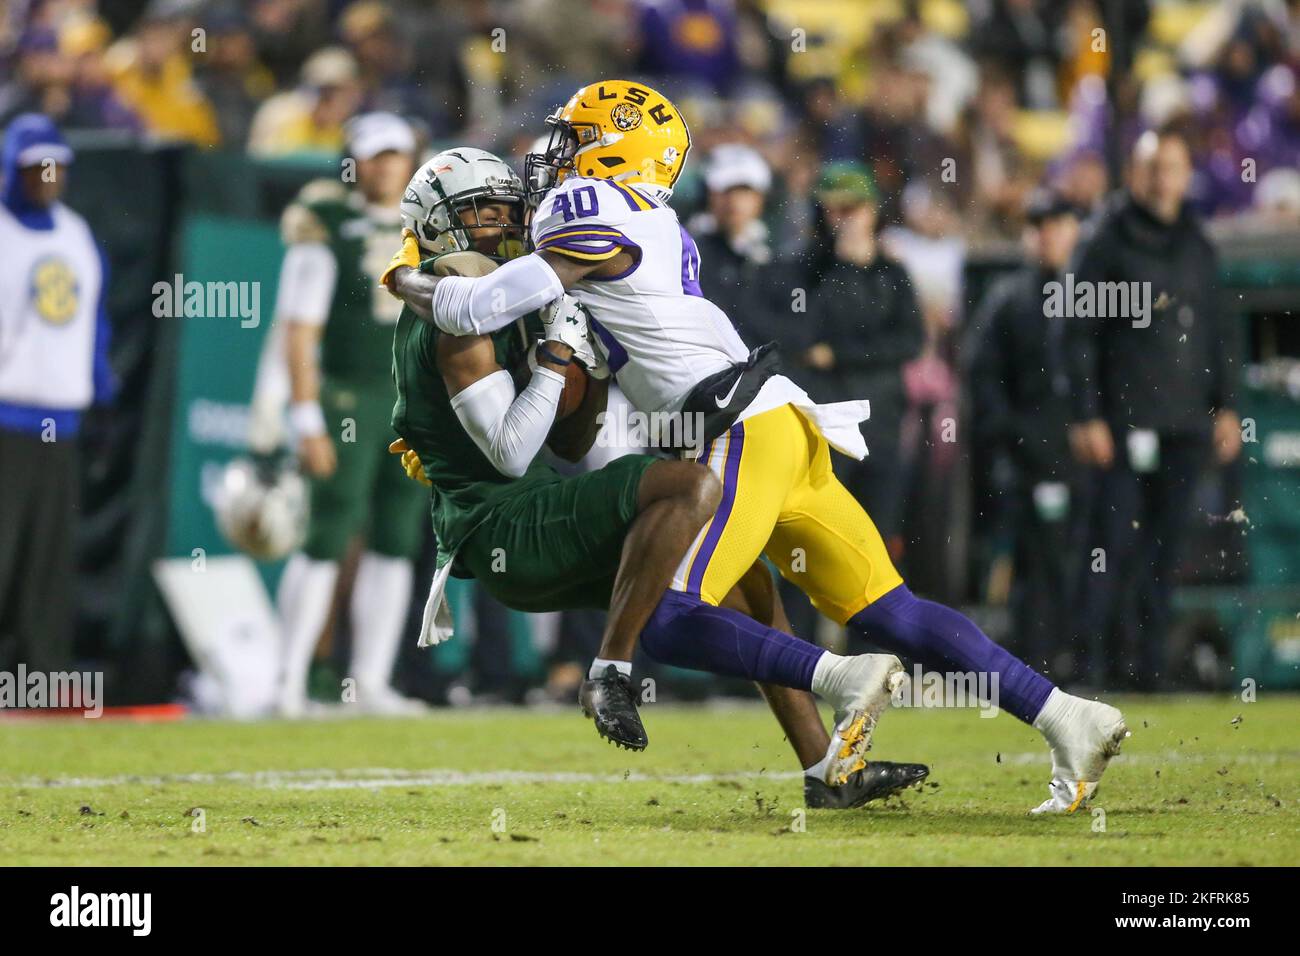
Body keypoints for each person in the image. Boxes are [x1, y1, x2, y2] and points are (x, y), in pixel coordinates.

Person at [389, 80, 1129, 814]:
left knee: (672, 618)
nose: (559, 155)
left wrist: (402, 274)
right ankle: (1067, 716)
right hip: (782, 427)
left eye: (578, 138)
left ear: (615, 153)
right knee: (892, 609)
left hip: (734, 428)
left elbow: (476, 304)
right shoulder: (648, 218)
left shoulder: (589, 205)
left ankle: (842, 678)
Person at [384, 148, 926, 809]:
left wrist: (583, 373)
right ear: (438, 224)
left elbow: (567, 441)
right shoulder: (454, 313)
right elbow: (509, 454)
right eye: (481, 213)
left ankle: (827, 772)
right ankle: (619, 673)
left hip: (532, 507)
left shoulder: (503, 296)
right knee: (689, 486)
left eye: (507, 209)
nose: (502, 225)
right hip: (505, 526)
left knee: (743, 575)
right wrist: (555, 362)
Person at [1066, 126, 1243, 689]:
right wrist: (1087, 413)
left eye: (1172, 166)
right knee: (1113, 545)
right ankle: (1096, 664)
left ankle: (1148, 666)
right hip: (1122, 423)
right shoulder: (1105, 239)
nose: (1162, 178)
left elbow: (1218, 328)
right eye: (1152, 166)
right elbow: (1076, 332)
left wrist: (1227, 406)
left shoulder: (1197, 240)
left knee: (1166, 551)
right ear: (1135, 172)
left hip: (1185, 421)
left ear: (1186, 173)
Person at [270, 112, 427, 716]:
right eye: (374, 155)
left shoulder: (429, 228)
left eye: (396, 154)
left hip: (407, 401)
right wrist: (305, 415)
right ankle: (287, 680)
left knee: (394, 539)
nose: (386, 166)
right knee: (326, 535)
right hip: (347, 396)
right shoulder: (327, 224)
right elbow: (299, 331)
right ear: (352, 162)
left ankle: (370, 681)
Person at [0, 114, 114, 677]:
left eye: (56, 166)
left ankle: (38, 679)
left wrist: (101, 388)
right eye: (35, 167)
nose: (48, 176)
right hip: (6, 417)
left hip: (63, 419)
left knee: (46, 561)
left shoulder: (74, 232)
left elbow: (92, 322)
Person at [967, 189, 1082, 677]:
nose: (1047, 234)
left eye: (1057, 223)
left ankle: (1095, 659)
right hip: (1030, 458)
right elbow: (982, 376)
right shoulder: (1008, 300)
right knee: (1034, 567)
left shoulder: (1096, 295)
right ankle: (1037, 665)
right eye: (1038, 225)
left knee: (1091, 560)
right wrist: (1016, 438)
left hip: (1090, 457)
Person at [803, 163, 924, 557]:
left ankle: (874, 621)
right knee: (815, 534)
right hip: (827, 417)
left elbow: (911, 341)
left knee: (878, 538)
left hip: (880, 420)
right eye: (833, 208)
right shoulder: (809, 269)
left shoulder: (891, 273)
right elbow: (803, 336)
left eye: (851, 207)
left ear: (871, 210)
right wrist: (841, 267)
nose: (842, 218)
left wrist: (840, 355)